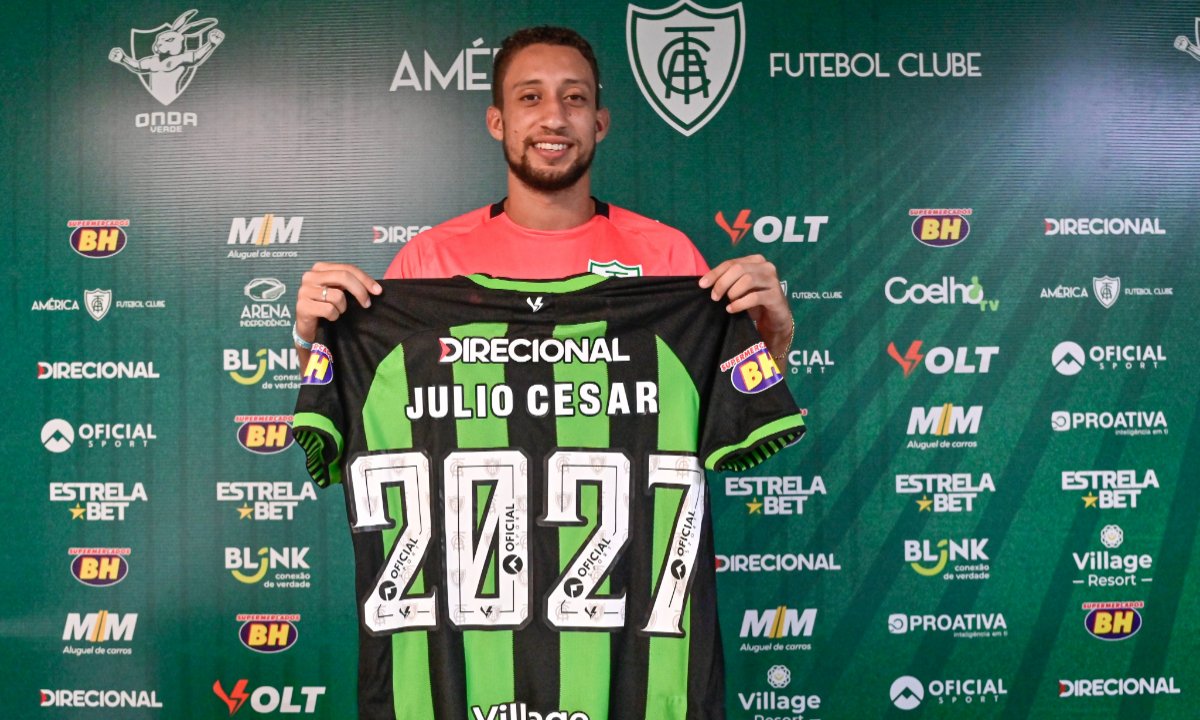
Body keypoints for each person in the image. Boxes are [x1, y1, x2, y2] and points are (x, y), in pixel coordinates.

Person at [291, 25, 794, 363]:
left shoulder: (669, 255)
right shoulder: (430, 258)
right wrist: (313, 340)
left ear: (599, 124)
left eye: (574, 98)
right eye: (530, 97)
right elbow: (372, 405)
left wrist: (775, 337)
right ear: (497, 121)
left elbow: (726, 412)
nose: (554, 116)